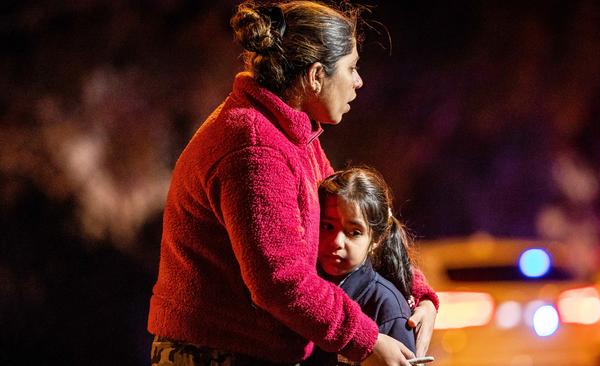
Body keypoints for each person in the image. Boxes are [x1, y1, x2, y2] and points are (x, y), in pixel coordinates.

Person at [148, 1, 439, 365]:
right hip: (215, 355)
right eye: (351, 68)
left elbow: (360, 223)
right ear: (317, 75)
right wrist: (364, 342)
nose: (358, 81)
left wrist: (420, 296)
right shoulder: (255, 148)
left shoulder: (292, 138)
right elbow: (281, 281)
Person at [305, 167, 419, 365]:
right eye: (328, 226)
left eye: (354, 232)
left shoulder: (386, 306)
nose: (337, 242)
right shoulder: (306, 292)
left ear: (376, 238)